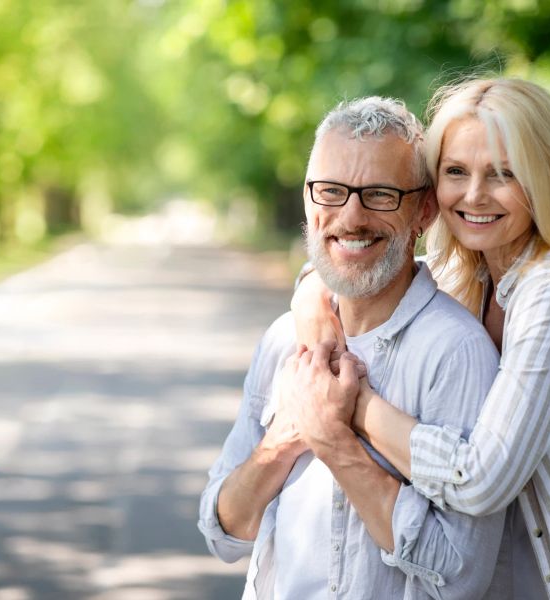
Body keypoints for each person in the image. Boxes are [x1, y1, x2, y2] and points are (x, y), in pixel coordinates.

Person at [288, 78, 550, 599]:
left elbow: (479, 477)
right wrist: (314, 305)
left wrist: (348, 404)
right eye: (456, 172)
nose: (473, 195)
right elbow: (353, 265)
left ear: (547, 179)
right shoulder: (466, 271)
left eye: (503, 174)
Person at [198, 97, 510, 599]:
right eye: (331, 191)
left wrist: (333, 439)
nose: (351, 215)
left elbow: (460, 578)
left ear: (424, 210)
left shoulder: (457, 353)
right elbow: (222, 530)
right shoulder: (285, 338)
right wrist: (283, 440)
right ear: (307, 200)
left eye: (380, 194)